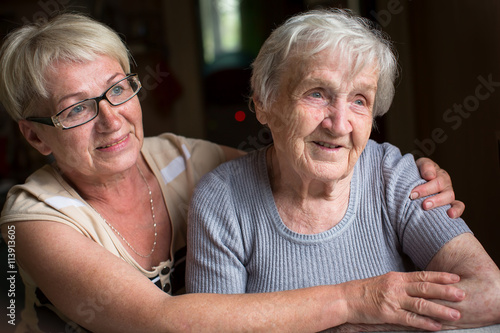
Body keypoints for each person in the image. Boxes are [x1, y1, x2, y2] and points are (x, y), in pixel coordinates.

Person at [0, 12, 466, 333]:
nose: (111, 118)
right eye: (76, 108)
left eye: (118, 89)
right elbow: (165, 322)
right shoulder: (30, 221)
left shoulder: (185, 158)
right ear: (37, 137)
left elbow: (300, 154)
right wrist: (356, 301)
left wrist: (408, 177)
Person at [186, 8, 500, 332]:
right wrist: (359, 305)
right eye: (317, 93)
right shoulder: (222, 200)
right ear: (265, 103)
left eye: (359, 100)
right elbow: (210, 326)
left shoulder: (394, 176)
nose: (338, 124)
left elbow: (491, 293)